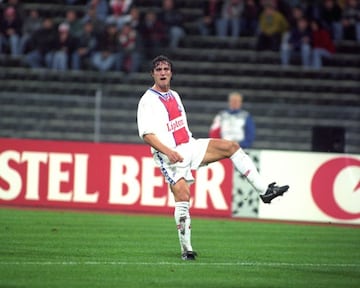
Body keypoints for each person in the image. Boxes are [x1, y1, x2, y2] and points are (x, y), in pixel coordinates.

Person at [137, 55, 289, 261]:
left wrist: (189, 146)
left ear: (171, 73)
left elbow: (179, 126)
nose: (163, 72)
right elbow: (147, 134)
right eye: (158, 70)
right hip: (169, 155)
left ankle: (265, 191)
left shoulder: (175, 95)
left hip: (189, 146)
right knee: (183, 197)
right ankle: (187, 249)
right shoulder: (147, 100)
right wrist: (168, 151)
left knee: (231, 146)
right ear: (152, 74)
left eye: (166, 69)